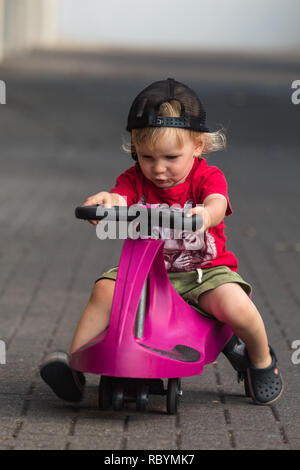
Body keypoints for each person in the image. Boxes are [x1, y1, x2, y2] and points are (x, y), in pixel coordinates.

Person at [40, 78, 283, 405]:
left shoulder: (205, 176)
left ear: (197, 146)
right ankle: (74, 366)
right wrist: (105, 202)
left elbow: (217, 202)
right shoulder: (134, 179)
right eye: (147, 157)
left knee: (237, 308)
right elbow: (118, 197)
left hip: (204, 273)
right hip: (145, 272)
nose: (158, 169)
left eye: (171, 157)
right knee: (104, 289)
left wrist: (205, 215)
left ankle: (261, 360)